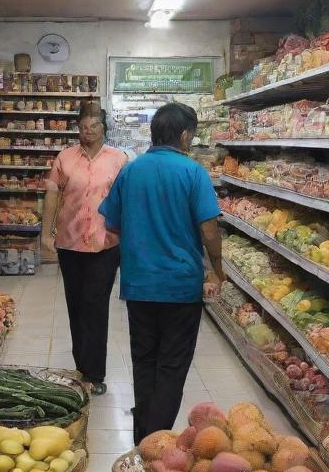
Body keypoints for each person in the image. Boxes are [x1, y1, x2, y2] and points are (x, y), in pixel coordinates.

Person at [98, 101, 225, 442]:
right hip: (181, 286)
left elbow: (111, 223)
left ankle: (144, 437)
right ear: (185, 136)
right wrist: (217, 270)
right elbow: (209, 229)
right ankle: (156, 441)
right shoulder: (192, 172)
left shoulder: (131, 170)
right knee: (171, 365)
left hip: (139, 283)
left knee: (144, 361)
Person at [41, 103, 127, 395]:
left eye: (93, 126)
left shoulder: (119, 160)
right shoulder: (64, 158)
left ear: (104, 128)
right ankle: (82, 366)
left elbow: (128, 200)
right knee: (76, 306)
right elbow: (52, 196)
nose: (87, 132)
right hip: (70, 242)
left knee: (95, 305)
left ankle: (94, 372)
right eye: (82, 127)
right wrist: (46, 234)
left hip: (106, 243)